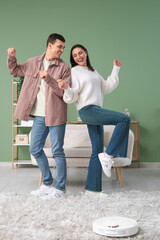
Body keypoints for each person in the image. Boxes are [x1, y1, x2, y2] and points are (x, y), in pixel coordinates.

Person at [58, 44, 130, 196]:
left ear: (86, 53)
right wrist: (66, 88)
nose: (78, 56)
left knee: (97, 150)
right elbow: (73, 96)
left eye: (80, 53)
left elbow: (106, 87)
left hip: (95, 110)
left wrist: (115, 69)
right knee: (123, 119)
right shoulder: (74, 72)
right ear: (73, 59)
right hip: (88, 110)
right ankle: (109, 155)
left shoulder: (93, 71)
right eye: (75, 55)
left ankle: (92, 189)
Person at [7, 33, 71, 199]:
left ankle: (61, 189)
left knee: (57, 151)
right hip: (40, 117)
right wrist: (11, 57)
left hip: (56, 115)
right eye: (59, 47)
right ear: (49, 45)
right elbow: (15, 71)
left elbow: (63, 93)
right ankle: (48, 182)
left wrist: (49, 78)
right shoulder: (32, 62)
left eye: (63, 47)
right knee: (35, 149)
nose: (62, 50)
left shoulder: (64, 68)